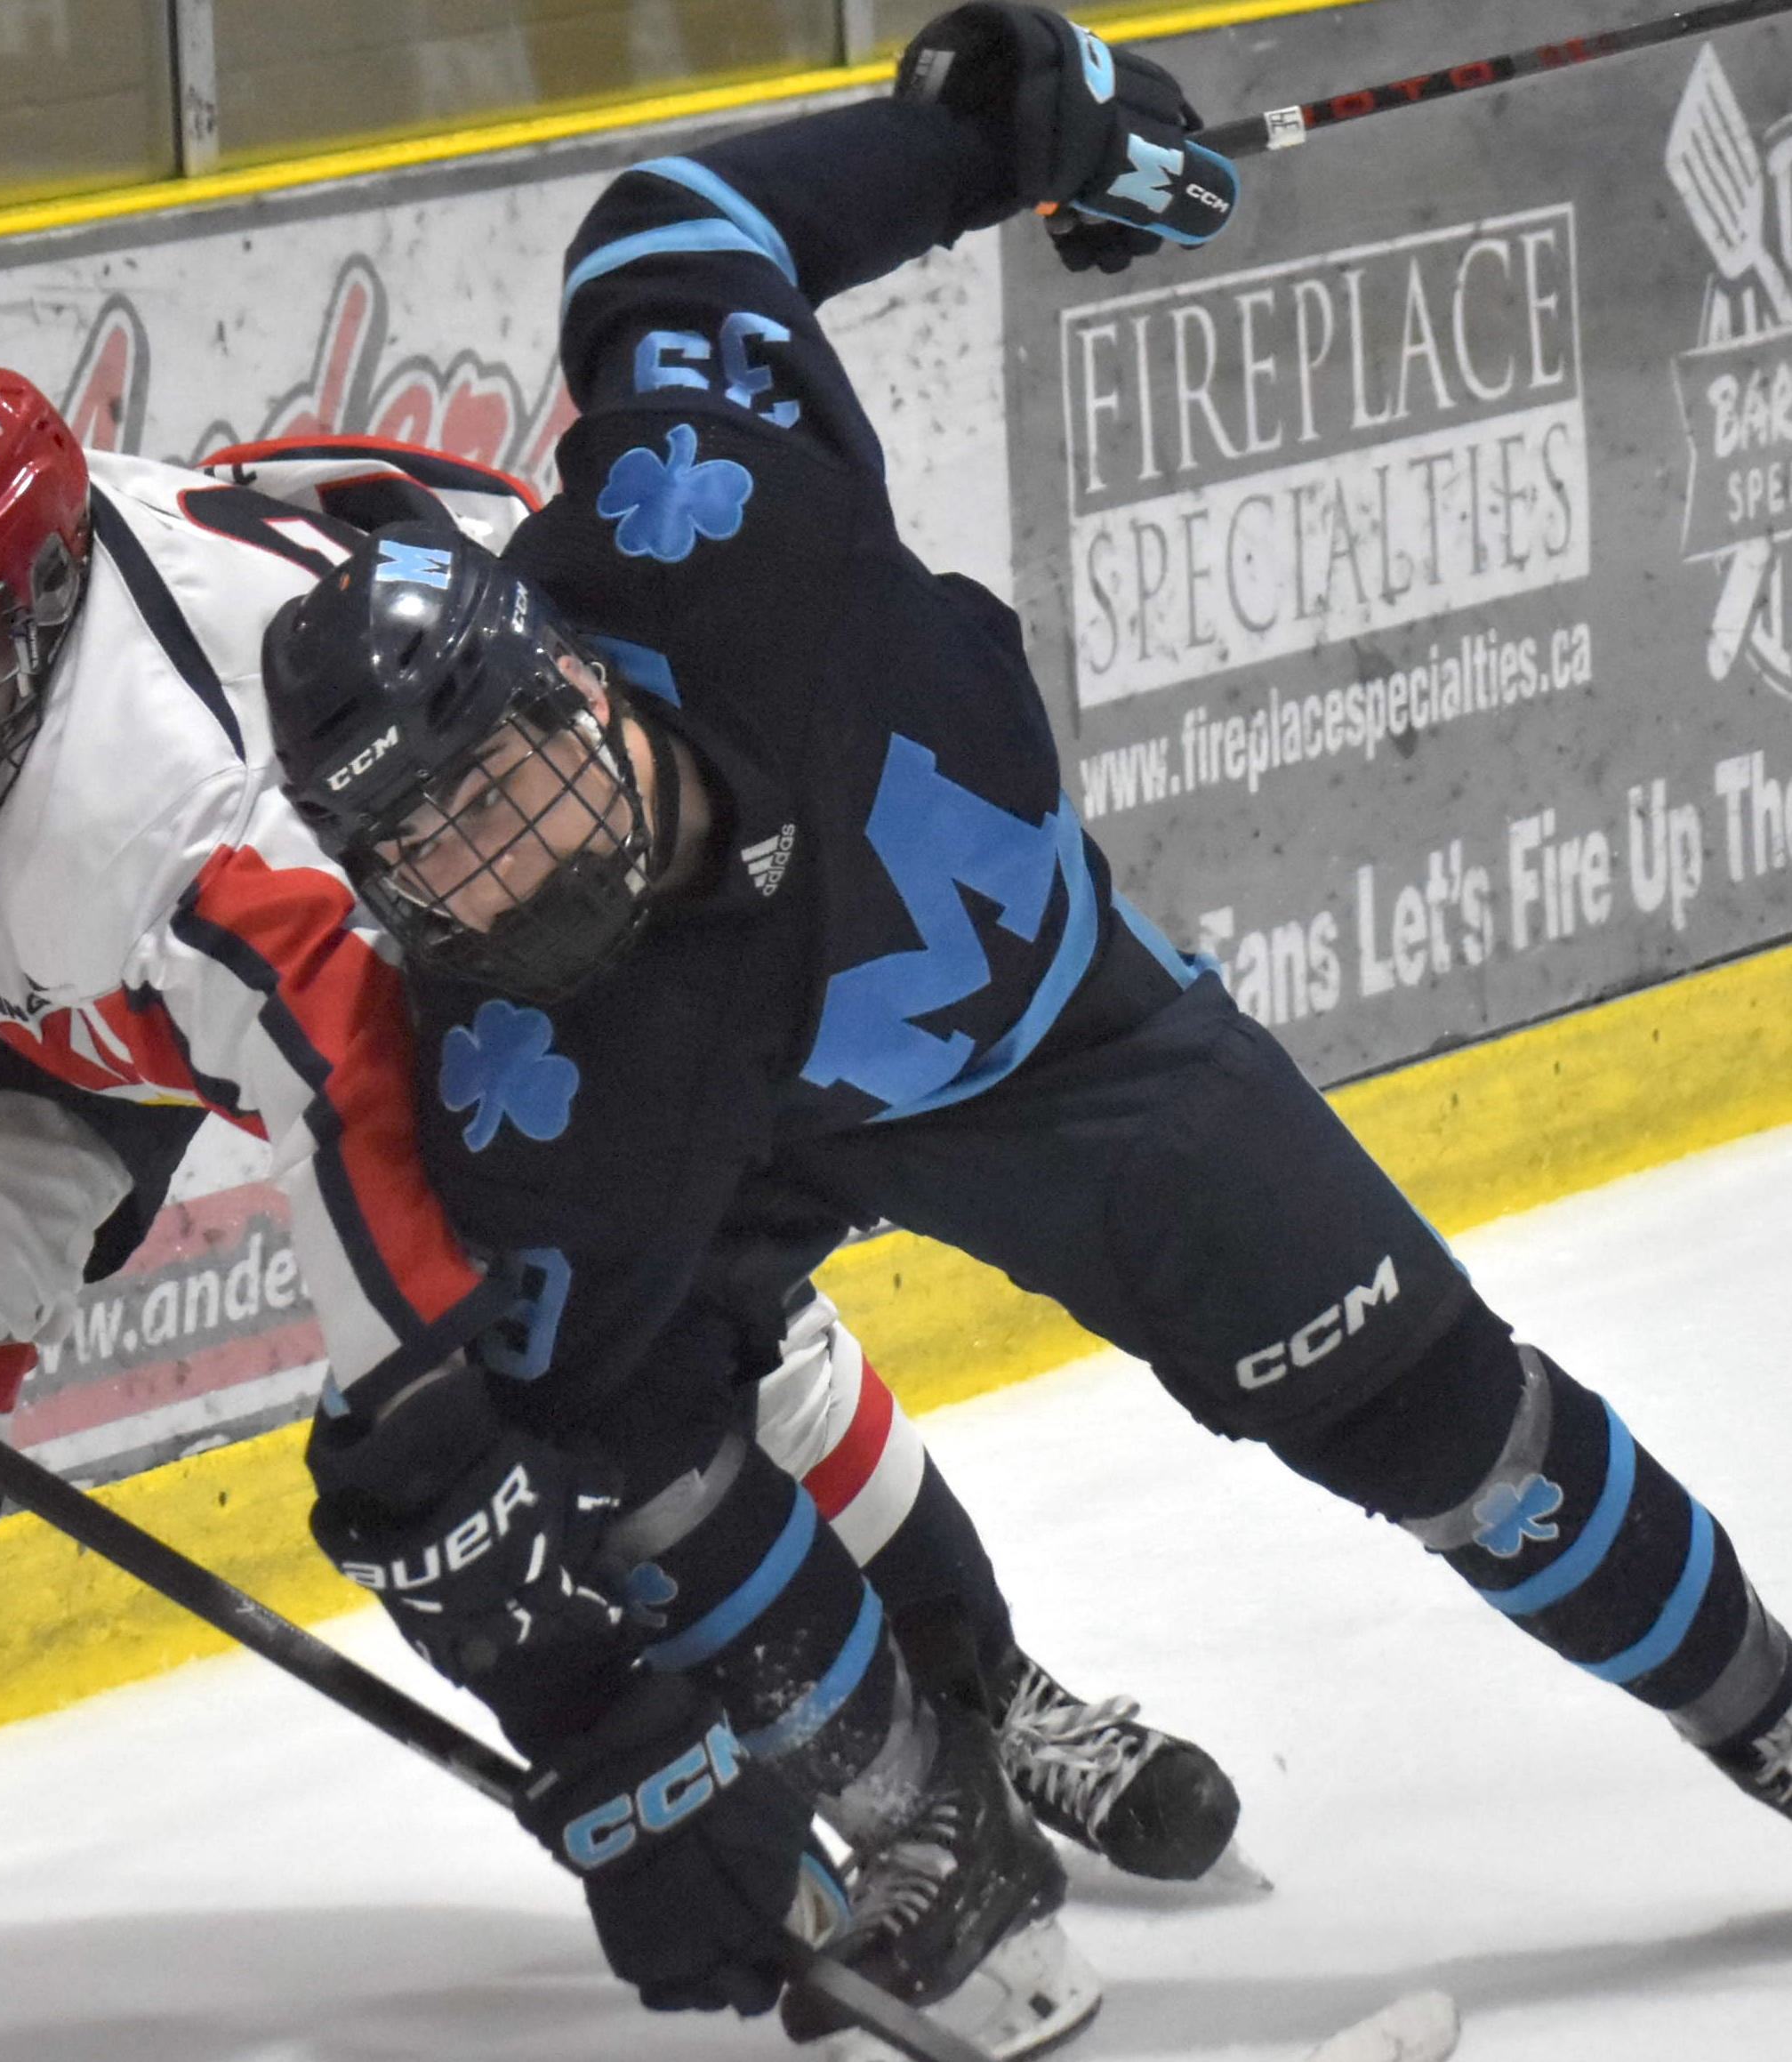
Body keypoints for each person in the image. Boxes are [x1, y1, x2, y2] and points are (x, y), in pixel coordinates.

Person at [0, 361, 1225, 2060]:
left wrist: (561, 1672)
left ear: (36, 608)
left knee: (666, 1348)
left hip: (448, 919)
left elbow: (377, 1231)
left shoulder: (183, 808)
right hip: (89, 983)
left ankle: (985, 1698)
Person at [258, 5, 1792, 2056]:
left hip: (1076, 1056)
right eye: (433, 856)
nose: (503, 866)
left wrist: (1007, 141)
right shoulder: (528, 1081)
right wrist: (621, 1749)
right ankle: (930, 1835)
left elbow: (667, 224)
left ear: (566, 669)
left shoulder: (701, 507)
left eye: (507, 778)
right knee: (638, 1445)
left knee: (1446, 1429)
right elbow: (530, 1455)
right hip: (736, 1129)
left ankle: (1767, 1717)